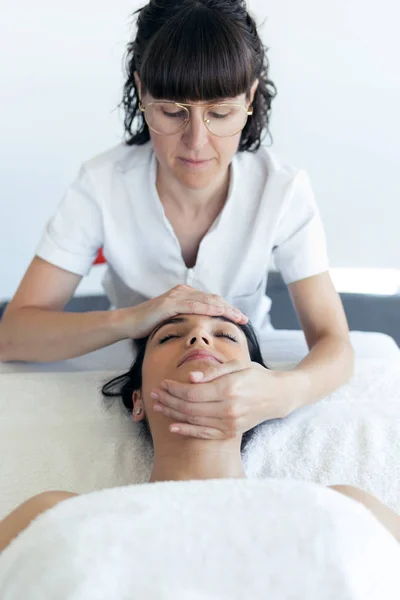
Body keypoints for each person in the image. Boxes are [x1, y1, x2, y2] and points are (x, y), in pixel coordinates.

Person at [0, 0, 354, 436]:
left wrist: (284, 392)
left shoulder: (281, 189)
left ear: (249, 100)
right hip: (136, 363)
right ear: (142, 93)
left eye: (220, 113)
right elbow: (12, 334)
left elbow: (334, 341)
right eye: (172, 112)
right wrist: (136, 318)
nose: (196, 142)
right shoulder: (102, 184)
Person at [0, 314, 398, 554]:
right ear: (137, 401)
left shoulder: (345, 509)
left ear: (261, 393)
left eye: (226, 336)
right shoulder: (54, 516)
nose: (199, 338)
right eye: (169, 336)